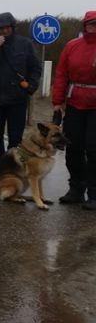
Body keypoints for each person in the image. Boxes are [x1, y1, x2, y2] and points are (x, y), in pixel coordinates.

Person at [0, 12, 42, 184]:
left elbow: (36, 68)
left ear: (12, 27)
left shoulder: (26, 44)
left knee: (15, 139)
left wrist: (31, 87)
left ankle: (13, 170)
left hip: (17, 99)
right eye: (1, 28)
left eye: (7, 27)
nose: (4, 31)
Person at [52, 11, 96, 209]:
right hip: (75, 103)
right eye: (91, 24)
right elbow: (61, 74)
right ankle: (76, 189)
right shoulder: (72, 46)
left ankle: (94, 193)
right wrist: (57, 101)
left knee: (93, 149)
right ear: (85, 25)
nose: (94, 27)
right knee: (73, 148)